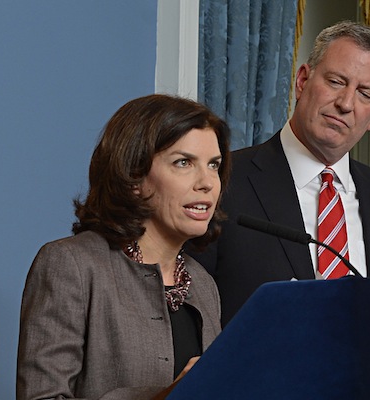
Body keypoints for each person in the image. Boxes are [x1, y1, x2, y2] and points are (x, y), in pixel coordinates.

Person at [190, 20, 370, 327]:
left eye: (365, 93)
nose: (346, 103)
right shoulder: (222, 181)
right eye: (337, 82)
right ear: (302, 81)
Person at [16, 94, 231, 399]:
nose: (207, 182)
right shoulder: (72, 265)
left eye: (214, 165)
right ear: (134, 177)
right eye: (184, 162)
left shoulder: (204, 285)